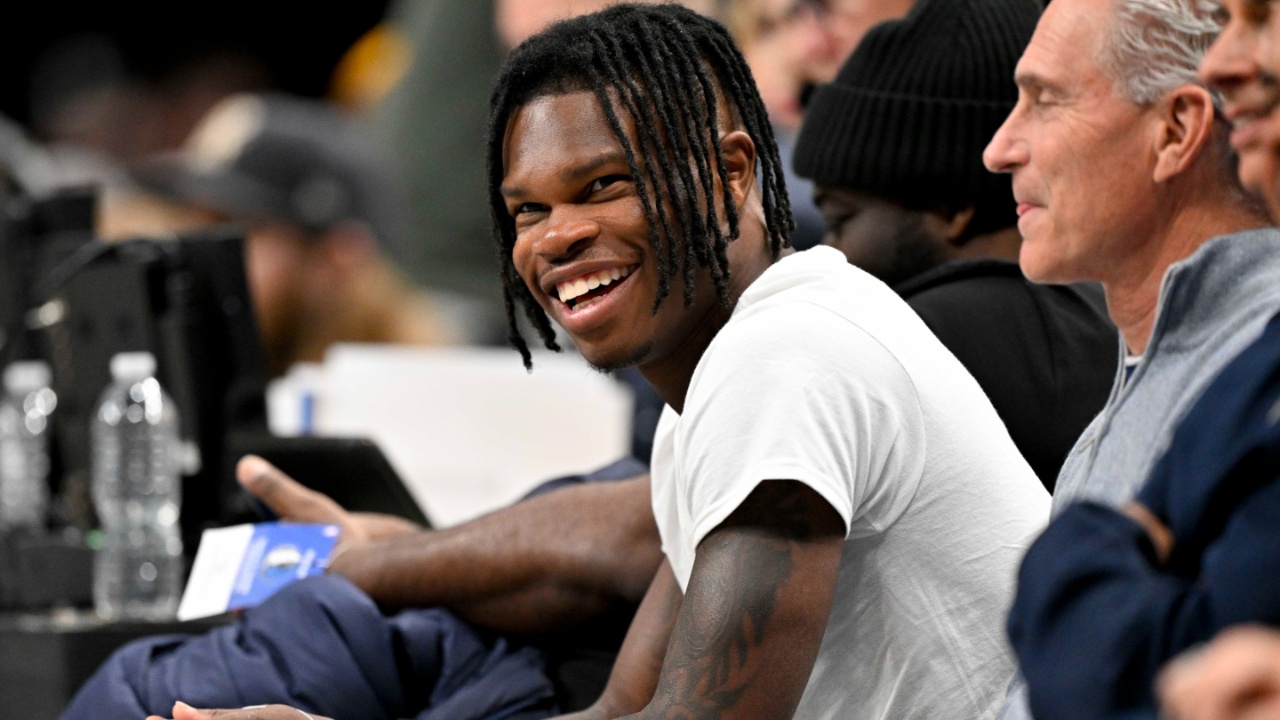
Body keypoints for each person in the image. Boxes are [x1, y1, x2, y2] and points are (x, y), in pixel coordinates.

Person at [150, 4, 1048, 720]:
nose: (559, 237)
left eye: (604, 187)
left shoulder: (787, 357)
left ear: (733, 172)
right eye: (528, 210)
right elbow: (625, 709)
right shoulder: (718, 386)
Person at [980, 0, 1280, 717]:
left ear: (1175, 132)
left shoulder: (1250, 358)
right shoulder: (1161, 363)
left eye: (1044, 101)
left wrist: (1079, 569)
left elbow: (1118, 679)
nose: (999, 148)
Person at [791, 0, 1116, 489]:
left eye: (841, 220)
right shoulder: (1124, 321)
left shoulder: (890, 344)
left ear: (950, 207)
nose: (827, 253)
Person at [137, 91, 462, 378]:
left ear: (338, 257)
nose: (197, 251)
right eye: (197, 223)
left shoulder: (420, 399)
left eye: (233, 230)